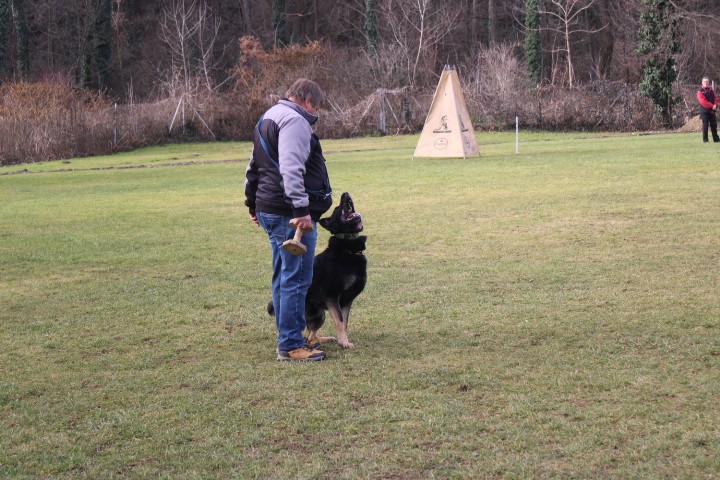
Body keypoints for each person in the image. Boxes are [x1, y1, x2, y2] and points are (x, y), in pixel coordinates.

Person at [244, 79, 332, 362]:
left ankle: (288, 336)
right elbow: (292, 169)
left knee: (283, 274)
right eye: (316, 107)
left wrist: (252, 201)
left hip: (270, 206)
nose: (315, 113)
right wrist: (300, 210)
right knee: (296, 278)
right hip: (289, 212)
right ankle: (292, 345)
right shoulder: (295, 121)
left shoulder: (268, 116)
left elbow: (253, 165)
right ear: (307, 100)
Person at [697, 76, 720, 143]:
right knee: (705, 126)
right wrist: (712, 106)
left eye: (707, 82)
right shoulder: (700, 91)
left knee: (714, 125)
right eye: (705, 82)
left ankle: (716, 139)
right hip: (704, 112)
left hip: (712, 111)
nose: (706, 83)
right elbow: (703, 102)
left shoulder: (711, 90)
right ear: (702, 83)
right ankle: (705, 140)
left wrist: (715, 105)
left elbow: (716, 98)